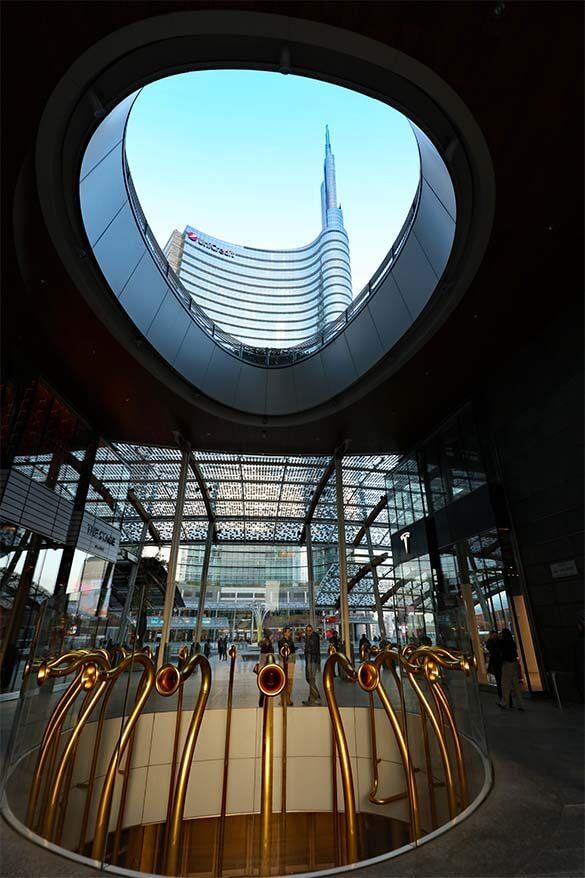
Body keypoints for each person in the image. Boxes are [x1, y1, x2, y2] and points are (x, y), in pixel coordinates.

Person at [499, 628, 524, 710]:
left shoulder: (503, 642)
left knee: (506, 683)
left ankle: (504, 702)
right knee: (516, 684)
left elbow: (500, 650)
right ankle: (520, 704)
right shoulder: (512, 642)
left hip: (507, 663)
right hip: (514, 663)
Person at [302, 625, 321, 705]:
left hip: (312, 660)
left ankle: (315, 696)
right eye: (307, 631)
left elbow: (312, 648)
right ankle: (312, 697)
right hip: (310, 659)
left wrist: (306, 647)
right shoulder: (309, 637)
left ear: (312, 630)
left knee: (311, 678)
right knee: (309, 678)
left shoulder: (314, 637)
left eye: (310, 631)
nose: (308, 632)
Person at [278, 626, 296, 705]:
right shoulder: (281, 641)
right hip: (284, 662)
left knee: (290, 681)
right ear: (284, 632)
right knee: (283, 680)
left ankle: (288, 698)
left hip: (291, 662)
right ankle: (283, 699)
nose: (290, 633)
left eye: (290, 631)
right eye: (288, 631)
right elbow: (284, 650)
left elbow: (293, 649)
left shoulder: (291, 641)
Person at [257, 630, 274, 707]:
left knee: (263, 682)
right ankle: (263, 700)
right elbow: (269, 654)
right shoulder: (267, 643)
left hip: (264, 665)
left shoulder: (264, 642)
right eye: (271, 635)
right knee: (265, 682)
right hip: (266, 665)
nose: (272, 636)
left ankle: (262, 700)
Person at [485, 630, 503, 702]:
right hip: (501, 663)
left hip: (497, 664)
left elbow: (489, 647)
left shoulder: (491, 643)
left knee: (499, 681)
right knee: (502, 682)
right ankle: (506, 699)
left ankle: (502, 699)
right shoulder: (499, 642)